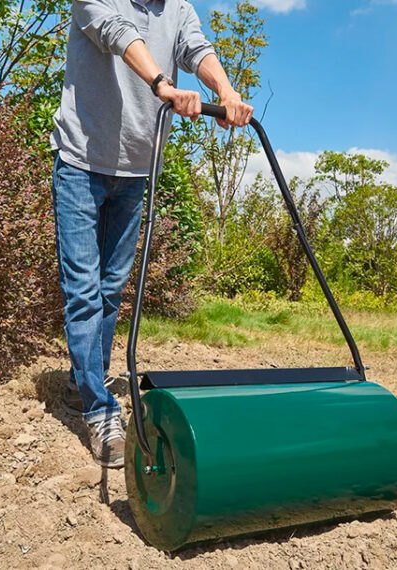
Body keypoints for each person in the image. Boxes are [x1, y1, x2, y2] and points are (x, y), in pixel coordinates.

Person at [50, 0, 252, 468]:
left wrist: (225, 92)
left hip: (137, 169)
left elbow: (195, 48)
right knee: (83, 290)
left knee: (110, 290)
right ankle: (100, 410)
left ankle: (88, 381)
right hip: (81, 162)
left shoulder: (178, 7)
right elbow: (117, 32)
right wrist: (162, 84)